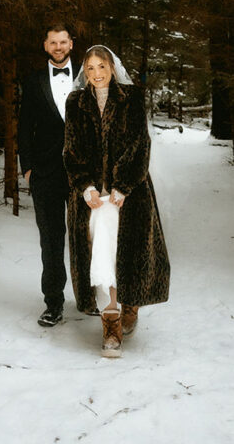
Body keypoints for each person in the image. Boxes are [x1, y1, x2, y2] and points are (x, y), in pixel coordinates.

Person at [64, 45, 170, 358]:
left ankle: (130, 303)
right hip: (92, 195)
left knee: (126, 248)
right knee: (100, 248)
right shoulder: (76, 102)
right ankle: (111, 317)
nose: (96, 74)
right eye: (91, 67)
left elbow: (140, 145)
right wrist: (85, 187)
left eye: (102, 66)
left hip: (129, 192)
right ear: (85, 70)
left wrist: (122, 186)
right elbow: (71, 150)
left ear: (112, 67)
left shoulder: (132, 98)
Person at [19, 24, 79, 327]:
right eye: (53, 42)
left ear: (71, 44)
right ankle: (53, 303)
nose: (58, 46)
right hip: (45, 173)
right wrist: (27, 168)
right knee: (51, 240)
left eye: (63, 42)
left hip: (84, 173)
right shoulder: (33, 81)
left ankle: (90, 298)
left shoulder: (87, 75)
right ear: (45, 45)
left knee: (86, 237)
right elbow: (24, 126)